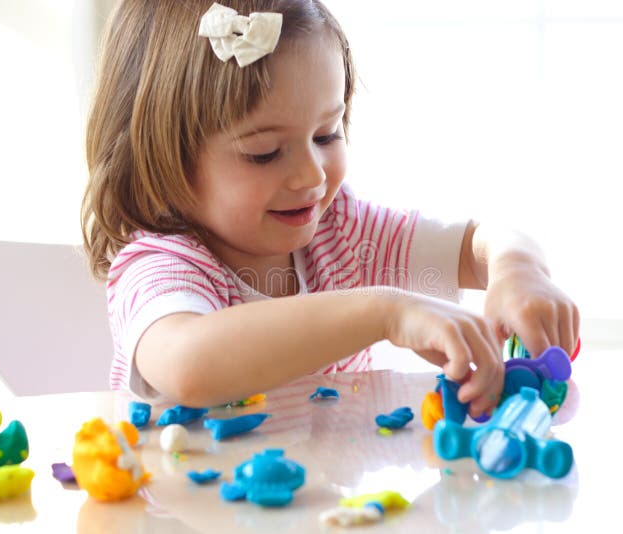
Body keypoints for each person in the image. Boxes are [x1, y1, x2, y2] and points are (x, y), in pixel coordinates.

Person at [81, 0, 578, 419]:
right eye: (264, 153)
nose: (313, 176)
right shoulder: (161, 265)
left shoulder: (341, 233)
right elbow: (189, 364)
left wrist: (517, 270)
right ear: (162, 155)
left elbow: (479, 245)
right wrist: (386, 312)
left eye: (327, 134)